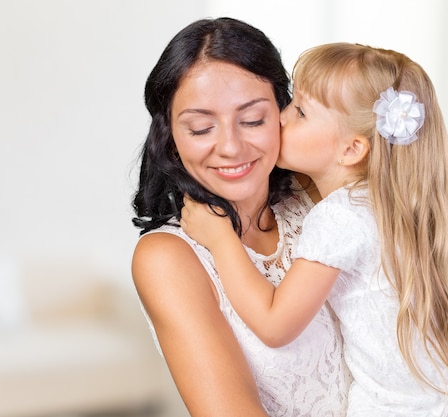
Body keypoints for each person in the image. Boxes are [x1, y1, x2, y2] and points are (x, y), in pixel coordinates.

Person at [180, 42, 448, 417]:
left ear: (352, 150)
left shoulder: (339, 217)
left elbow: (275, 324)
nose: (281, 118)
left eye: (300, 111)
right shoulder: (383, 204)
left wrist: (221, 239)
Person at [131, 18, 351, 417]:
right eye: (201, 128)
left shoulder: (325, 199)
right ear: (171, 138)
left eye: (252, 120)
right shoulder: (168, 258)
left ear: (286, 113)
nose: (231, 147)